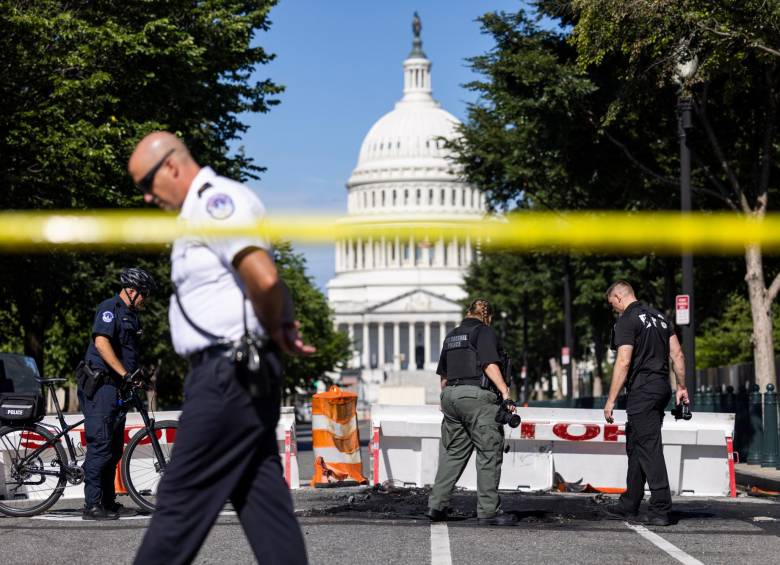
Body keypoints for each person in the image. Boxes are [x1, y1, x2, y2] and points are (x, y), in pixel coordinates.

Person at [128, 132, 313, 565]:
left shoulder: (216, 203)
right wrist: (280, 324)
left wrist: (272, 327)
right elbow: (269, 282)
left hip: (225, 375)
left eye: (146, 184)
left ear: (171, 166)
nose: (147, 198)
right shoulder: (201, 212)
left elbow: (263, 278)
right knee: (263, 504)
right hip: (240, 374)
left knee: (178, 502)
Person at [602, 280, 689, 526]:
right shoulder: (661, 318)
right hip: (661, 387)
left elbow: (623, 362)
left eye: (612, 305)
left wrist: (610, 400)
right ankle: (629, 502)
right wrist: (681, 387)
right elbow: (678, 355)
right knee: (637, 444)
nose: (614, 309)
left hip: (642, 390)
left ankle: (661, 507)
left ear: (619, 298)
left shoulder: (627, 320)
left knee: (649, 446)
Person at [427, 299, 518, 526]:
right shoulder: (483, 332)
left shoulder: (452, 335)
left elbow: (444, 375)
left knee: (454, 452)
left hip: (450, 396)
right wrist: (506, 393)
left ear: (467, 312)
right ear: (488, 316)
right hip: (476, 396)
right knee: (489, 451)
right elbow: (489, 364)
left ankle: (436, 506)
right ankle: (488, 512)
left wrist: (448, 399)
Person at [79, 266, 156, 520]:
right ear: (131, 290)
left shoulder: (132, 315)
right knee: (100, 445)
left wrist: (138, 376)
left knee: (113, 448)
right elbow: (102, 343)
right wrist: (124, 374)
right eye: (144, 293)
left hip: (118, 389)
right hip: (101, 386)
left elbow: (128, 352)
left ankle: (109, 502)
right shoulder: (109, 308)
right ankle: (92, 505)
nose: (146, 298)